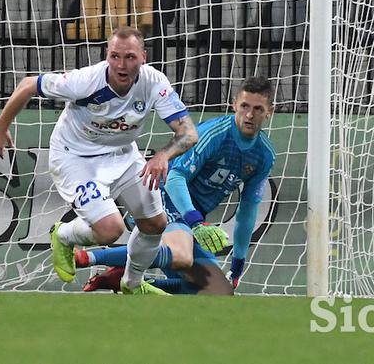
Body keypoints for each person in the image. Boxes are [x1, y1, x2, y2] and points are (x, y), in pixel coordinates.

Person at [0, 26, 196, 295]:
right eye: (115, 56)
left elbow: (188, 133)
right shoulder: (85, 81)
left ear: (143, 57)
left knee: (155, 224)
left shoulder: (154, 82)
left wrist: (163, 155)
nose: (121, 65)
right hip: (75, 158)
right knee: (110, 229)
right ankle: (62, 235)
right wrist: (0, 127)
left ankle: (132, 285)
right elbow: (28, 85)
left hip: (122, 155)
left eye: (130, 57)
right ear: (107, 56)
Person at [78, 76, 276, 295]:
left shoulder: (264, 155)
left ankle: (118, 280)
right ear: (234, 105)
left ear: (270, 112)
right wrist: (195, 221)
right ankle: (89, 258)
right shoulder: (215, 134)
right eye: (244, 106)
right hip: (163, 199)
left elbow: (247, 211)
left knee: (219, 292)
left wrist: (238, 263)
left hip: (190, 217)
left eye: (258, 109)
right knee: (182, 254)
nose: (249, 115)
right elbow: (174, 178)